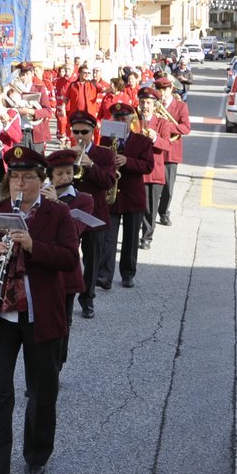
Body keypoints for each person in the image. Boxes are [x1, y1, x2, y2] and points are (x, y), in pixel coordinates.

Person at [0, 145, 79, 474]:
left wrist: (32, 245)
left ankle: (37, 453)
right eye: (14, 177)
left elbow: (68, 260)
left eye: (28, 177)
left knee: (42, 389)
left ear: (40, 179)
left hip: (40, 313)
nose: (20, 184)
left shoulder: (57, 215)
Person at [44, 148, 100, 364]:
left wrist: (56, 204)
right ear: (50, 177)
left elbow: (74, 231)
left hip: (66, 271)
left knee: (62, 322)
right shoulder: (39, 197)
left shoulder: (84, 200)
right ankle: (39, 373)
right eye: (59, 174)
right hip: (41, 266)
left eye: (68, 173)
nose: (64, 178)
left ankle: (56, 366)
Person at [65, 113, 118, 319]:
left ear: (93, 132)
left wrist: (91, 166)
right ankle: (67, 298)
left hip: (95, 215)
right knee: (69, 258)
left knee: (92, 261)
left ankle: (87, 300)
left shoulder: (104, 155)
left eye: (84, 132)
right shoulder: (67, 153)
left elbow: (108, 182)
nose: (80, 136)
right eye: (76, 131)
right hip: (71, 215)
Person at [98, 102, 156, 290]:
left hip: (132, 196)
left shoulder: (142, 141)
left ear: (131, 119)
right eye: (117, 118)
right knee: (109, 237)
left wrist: (127, 161)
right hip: (112, 197)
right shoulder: (106, 140)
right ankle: (105, 275)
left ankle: (128, 274)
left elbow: (148, 166)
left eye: (124, 117)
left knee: (131, 238)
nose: (120, 120)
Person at [136, 88, 172, 250]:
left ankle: (147, 237)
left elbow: (167, 145)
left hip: (153, 172)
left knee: (150, 207)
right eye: (143, 102)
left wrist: (155, 138)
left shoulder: (162, 123)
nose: (145, 106)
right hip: (135, 170)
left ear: (155, 105)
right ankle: (134, 234)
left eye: (149, 103)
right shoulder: (133, 121)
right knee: (136, 206)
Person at [153, 75, 191, 226]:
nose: (162, 93)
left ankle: (163, 212)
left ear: (170, 89)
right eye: (159, 89)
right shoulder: (153, 105)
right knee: (153, 186)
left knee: (168, 188)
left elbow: (186, 128)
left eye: (164, 89)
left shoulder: (181, 106)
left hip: (171, 151)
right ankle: (150, 213)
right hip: (156, 149)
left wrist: (167, 126)